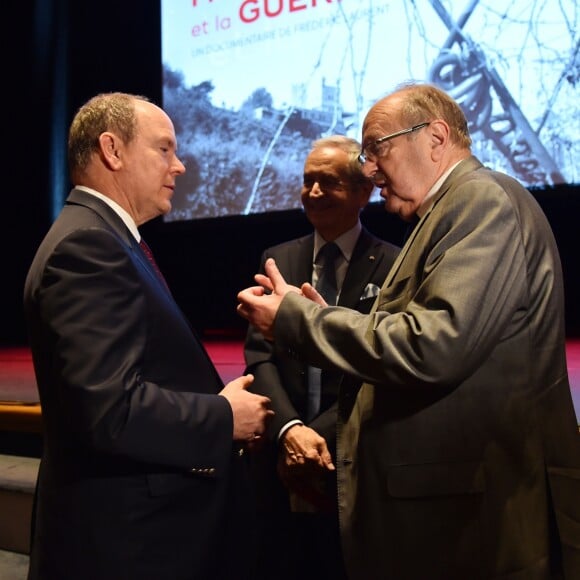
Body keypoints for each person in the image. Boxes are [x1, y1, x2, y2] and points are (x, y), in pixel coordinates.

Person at [237, 82, 580, 579]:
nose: (368, 169)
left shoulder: (480, 201)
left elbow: (432, 346)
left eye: (377, 148)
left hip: (478, 519)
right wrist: (316, 314)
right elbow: (420, 330)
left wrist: (297, 319)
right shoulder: (450, 210)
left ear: (436, 137)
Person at [23, 92, 273, 580]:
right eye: (165, 149)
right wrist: (224, 415)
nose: (179, 166)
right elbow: (109, 411)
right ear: (112, 151)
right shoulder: (89, 246)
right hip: (129, 545)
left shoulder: (101, 237)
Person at [244, 135, 400, 579]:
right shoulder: (277, 259)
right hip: (278, 456)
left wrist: (316, 439)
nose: (312, 192)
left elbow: (380, 366)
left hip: (349, 459)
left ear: (361, 191)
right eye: (307, 181)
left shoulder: (392, 265)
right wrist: (290, 430)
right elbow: (260, 355)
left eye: (326, 183)